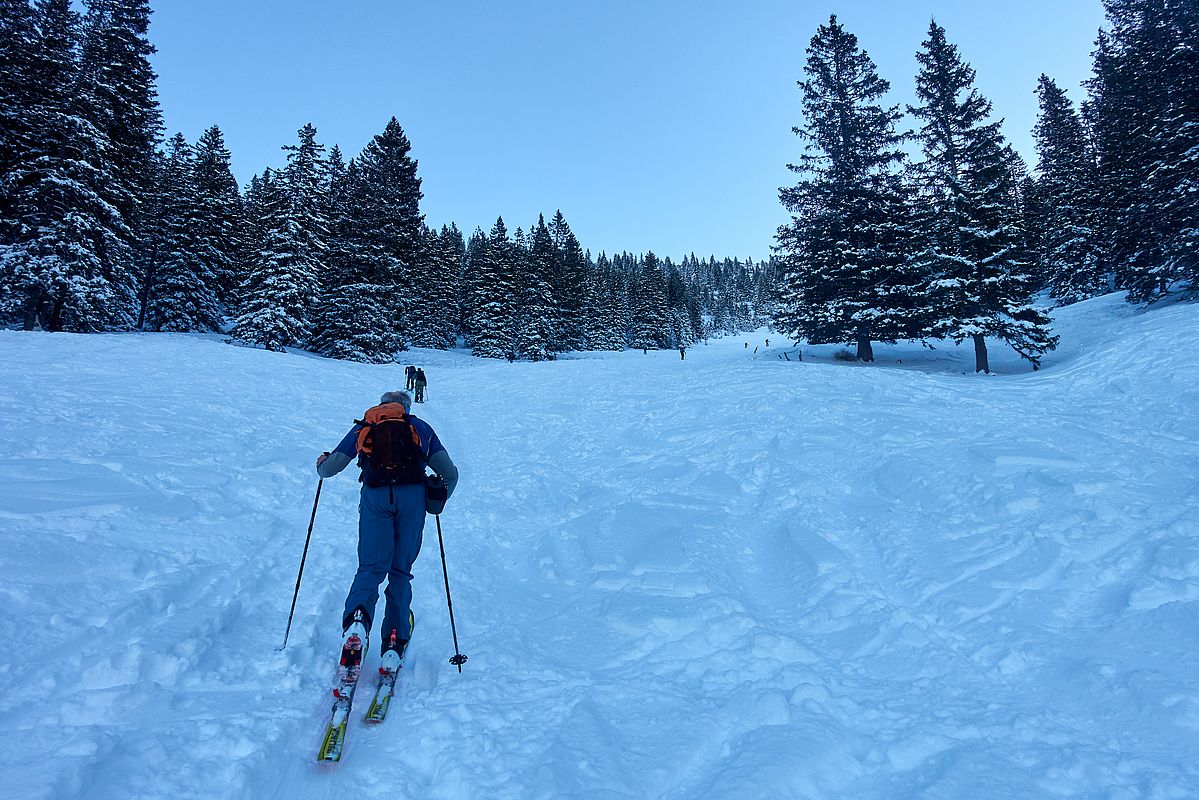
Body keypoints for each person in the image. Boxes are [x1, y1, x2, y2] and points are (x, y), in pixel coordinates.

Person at [316, 390, 459, 668]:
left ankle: (358, 621)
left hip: (375, 498)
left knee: (370, 567)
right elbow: (450, 474)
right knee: (400, 570)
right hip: (412, 501)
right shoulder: (420, 428)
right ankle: (394, 639)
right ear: (405, 408)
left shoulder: (366, 426)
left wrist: (321, 465)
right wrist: (435, 502)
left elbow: (331, 468)